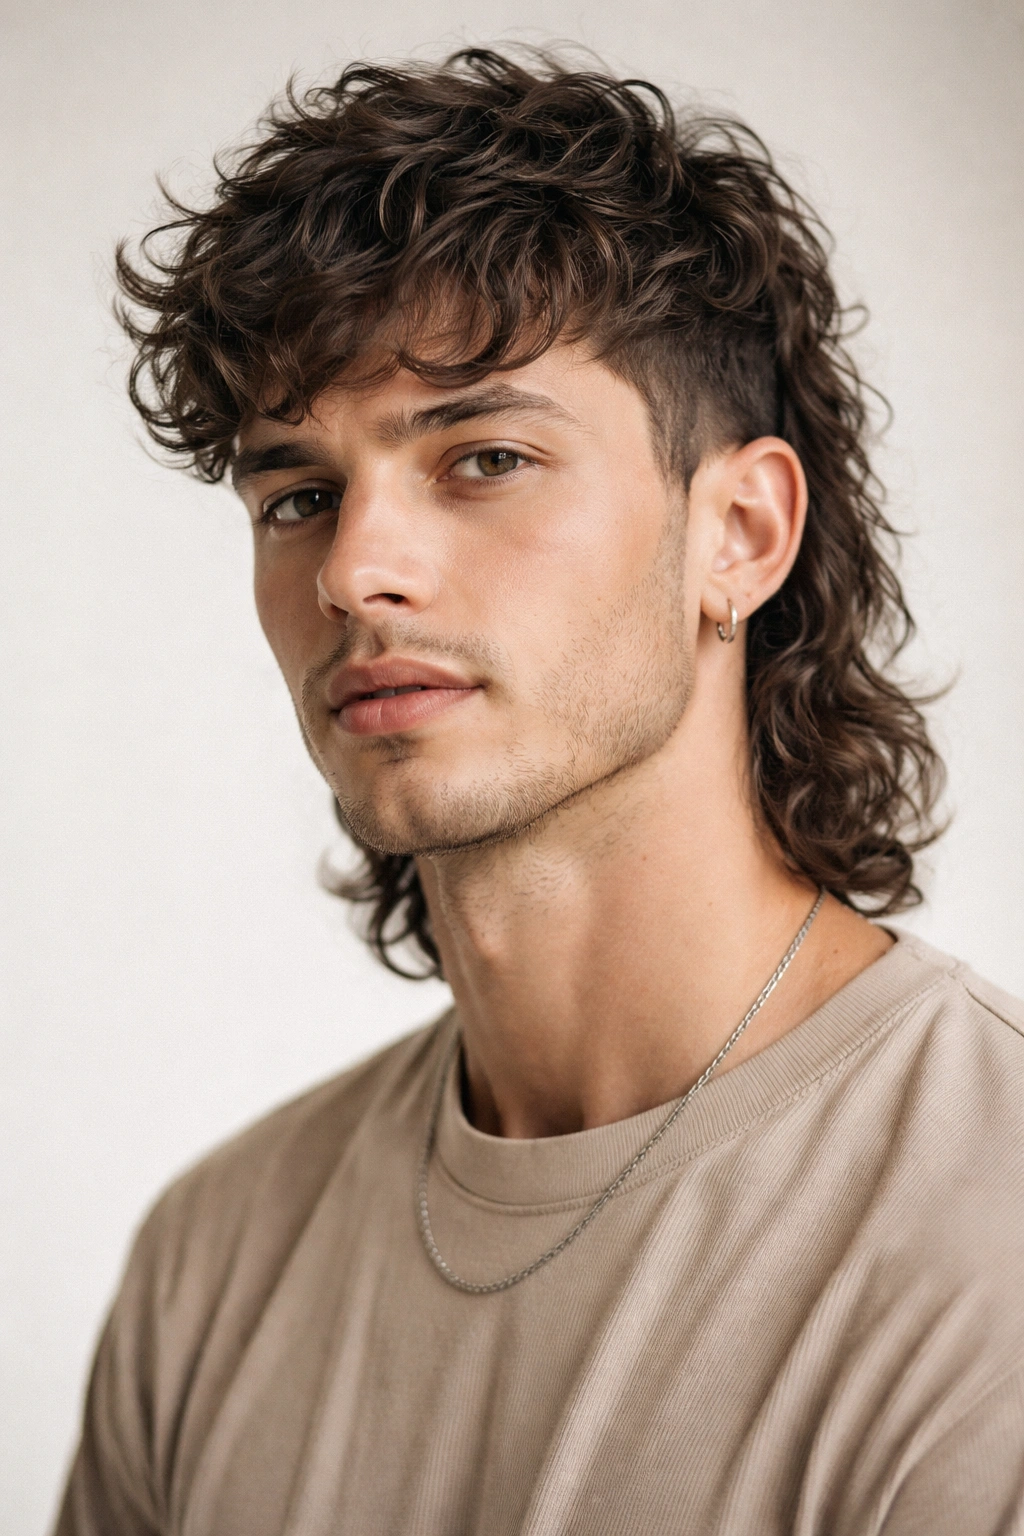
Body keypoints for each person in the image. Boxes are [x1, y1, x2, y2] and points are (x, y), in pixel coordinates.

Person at [56, 48, 1024, 1536]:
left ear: (741, 535)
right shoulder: (211, 1265)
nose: (356, 570)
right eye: (297, 494)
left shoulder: (991, 1229)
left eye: (486, 457)